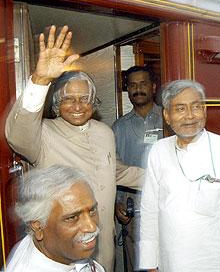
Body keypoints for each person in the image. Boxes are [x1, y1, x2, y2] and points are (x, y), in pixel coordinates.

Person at [5, 25, 144, 271]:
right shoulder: (43, 133)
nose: (78, 105)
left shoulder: (103, 132)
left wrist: (169, 174)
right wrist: (40, 81)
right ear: (57, 104)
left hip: (101, 242)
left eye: (85, 98)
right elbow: (17, 136)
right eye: (68, 98)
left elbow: (117, 172)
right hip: (62, 247)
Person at [139, 79, 220, 271]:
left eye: (196, 107)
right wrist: (150, 262)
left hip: (219, 264)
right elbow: (149, 211)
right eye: (180, 109)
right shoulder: (159, 151)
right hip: (171, 262)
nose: (190, 116)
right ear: (167, 115)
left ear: (204, 111)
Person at [4, 165, 105, 271]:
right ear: (38, 227)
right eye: (72, 218)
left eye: (92, 210)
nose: (92, 227)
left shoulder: (62, 252)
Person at [112, 66, 163, 272]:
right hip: (134, 215)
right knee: (138, 266)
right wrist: (116, 204)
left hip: (166, 210)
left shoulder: (168, 120)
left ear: (153, 87)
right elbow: (111, 171)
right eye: (132, 85)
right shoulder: (118, 127)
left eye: (143, 84)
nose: (138, 89)